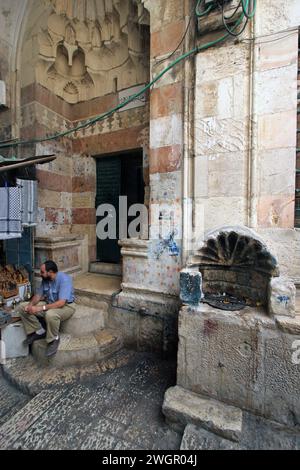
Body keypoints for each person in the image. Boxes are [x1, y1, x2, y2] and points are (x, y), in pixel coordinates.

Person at [17, 260, 75, 358]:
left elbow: (61, 303)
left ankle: (54, 339)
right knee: (22, 307)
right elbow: (38, 296)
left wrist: (40, 308)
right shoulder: (46, 280)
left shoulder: (64, 279)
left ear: (50, 272)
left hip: (66, 307)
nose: (40, 274)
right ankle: (40, 331)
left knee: (50, 314)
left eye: (42, 272)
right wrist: (31, 305)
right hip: (50, 304)